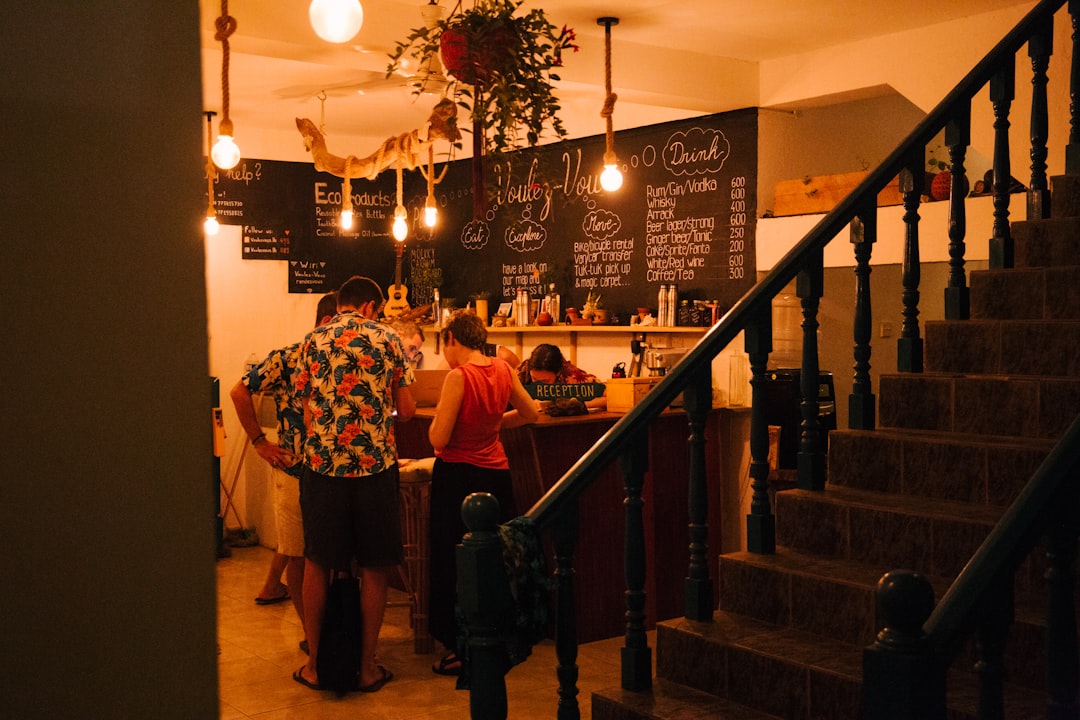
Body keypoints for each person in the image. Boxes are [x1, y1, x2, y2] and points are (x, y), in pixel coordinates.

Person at [292, 275, 416, 693]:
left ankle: (314, 667)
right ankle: (366, 669)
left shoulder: (312, 341)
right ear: (369, 307)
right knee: (376, 566)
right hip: (374, 467)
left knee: (317, 562)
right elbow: (407, 409)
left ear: (342, 304)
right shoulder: (389, 339)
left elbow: (308, 413)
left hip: (323, 466)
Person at [426, 310, 539, 676]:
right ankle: (495, 642)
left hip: (458, 479)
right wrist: (493, 425)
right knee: (492, 563)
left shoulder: (459, 377)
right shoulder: (503, 370)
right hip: (496, 476)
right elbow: (531, 413)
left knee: (453, 563)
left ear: (452, 340)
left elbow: (438, 439)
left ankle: (461, 647)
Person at [229, 292, 338, 648]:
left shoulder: (340, 359)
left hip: (332, 472)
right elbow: (239, 391)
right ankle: (312, 636)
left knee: (321, 555)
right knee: (297, 552)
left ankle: (323, 635)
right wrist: (260, 441)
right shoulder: (288, 357)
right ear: (326, 322)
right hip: (293, 470)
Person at [516, 343, 607, 410]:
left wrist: (572, 405)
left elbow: (609, 397)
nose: (539, 385)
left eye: (545, 381)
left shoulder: (571, 375)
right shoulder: (522, 372)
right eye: (534, 379)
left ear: (558, 372)